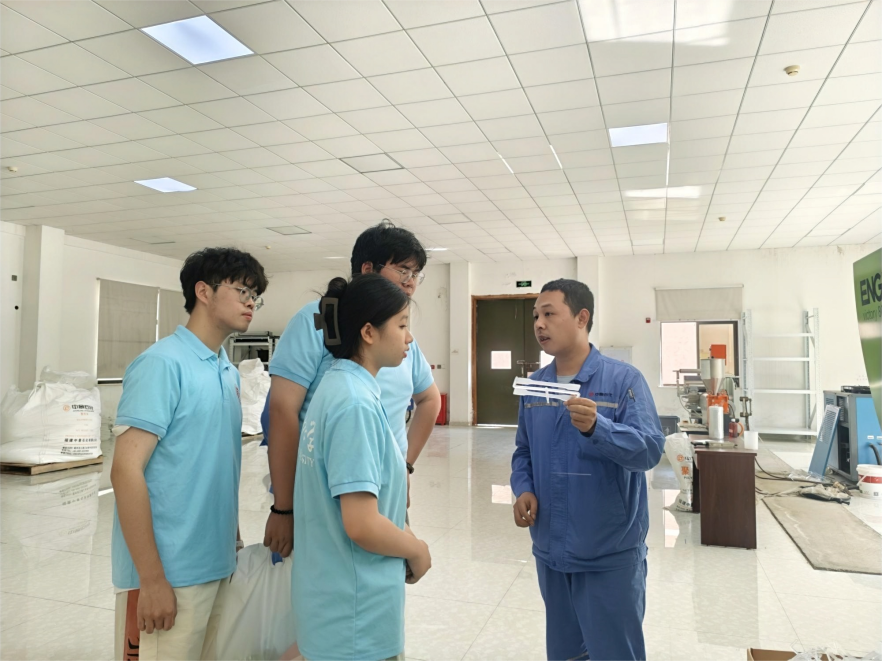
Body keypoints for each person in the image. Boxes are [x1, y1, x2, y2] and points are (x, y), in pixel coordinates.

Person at [110, 248, 268, 661]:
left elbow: (215, 465)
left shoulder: (227, 371)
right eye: (243, 291)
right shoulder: (162, 364)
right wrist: (151, 579)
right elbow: (125, 471)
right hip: (169, 573)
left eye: (256, 295)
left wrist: (233, 539)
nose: (251, 303)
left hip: (217, 563)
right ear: (203, 291)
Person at [263, 221, 441, 558]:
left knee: (380, 569)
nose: (411, 282)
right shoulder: (317, 322)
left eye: (416, 274)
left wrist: (403, 467)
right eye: (403, 270)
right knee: (330, 574)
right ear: (367, 268)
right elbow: (282, 411)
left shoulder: (401, 338)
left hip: (383, 487)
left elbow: (429, 398)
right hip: (326, 487)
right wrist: (283, 507)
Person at [510, 278, 665, 661]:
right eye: (536, 316)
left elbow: (649, 450)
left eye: (549, 314)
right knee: (565, 654)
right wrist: (523, 488)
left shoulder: (623, 380)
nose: (539, 324)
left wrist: (600, 428)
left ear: (582, 318)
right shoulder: (535, 386)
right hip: (551, 549)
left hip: (607, 553)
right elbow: (523, 449)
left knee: (615, 652)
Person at [293, 274, 433, 661]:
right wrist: (417, 550)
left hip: (332, 604)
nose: (409, 338)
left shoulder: (337, 387)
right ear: (369, 332)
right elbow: (362, 524)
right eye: (402, 325)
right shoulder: (354, 404)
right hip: (356, 618)